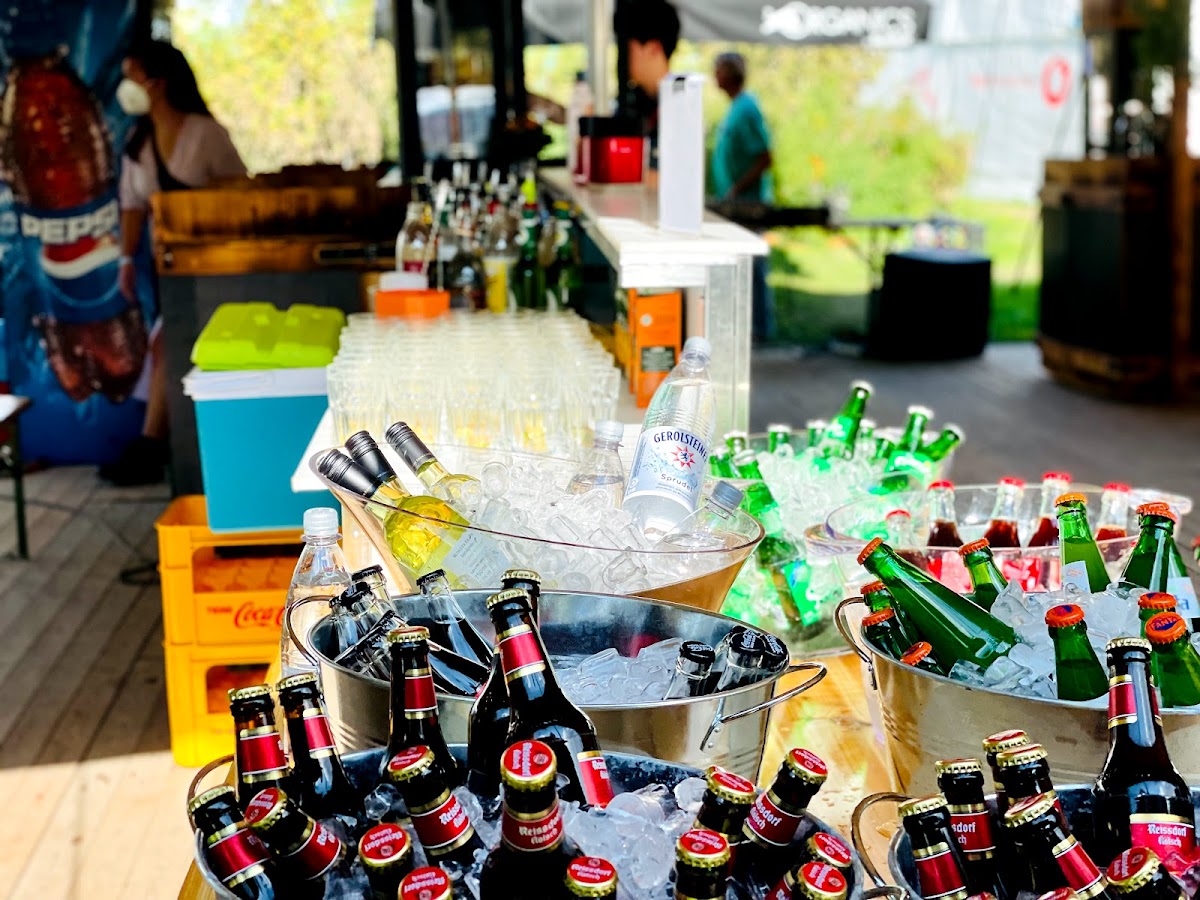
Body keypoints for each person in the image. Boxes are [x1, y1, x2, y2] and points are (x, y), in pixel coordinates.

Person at [101, 40, 246, 487]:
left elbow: (240, 194)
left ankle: (154, 444)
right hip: (164, 270)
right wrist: (126, 260)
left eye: (132, 76)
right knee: (168, 346)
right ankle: (161, 444)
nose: (125, 87)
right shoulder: (138, 141)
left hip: (214, 267)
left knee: (169, 345)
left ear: (158, 82)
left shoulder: (205, 134)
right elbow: (132, 206)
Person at [712, 52, 775, 342]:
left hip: (748, 203)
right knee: (740, 264)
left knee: (752, 264)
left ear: (729, 74)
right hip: (735, 200)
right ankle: (745, 325)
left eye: (718, 70)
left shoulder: (747, 109)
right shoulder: (736, 107)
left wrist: (737, 188)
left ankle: (759, 328)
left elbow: (765, 157)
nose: (714, 76)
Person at [619, 0, 681, 165]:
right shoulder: (637, 101)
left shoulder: (680, 105)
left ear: (654, 48)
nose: (622, 59)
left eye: (628, 49)